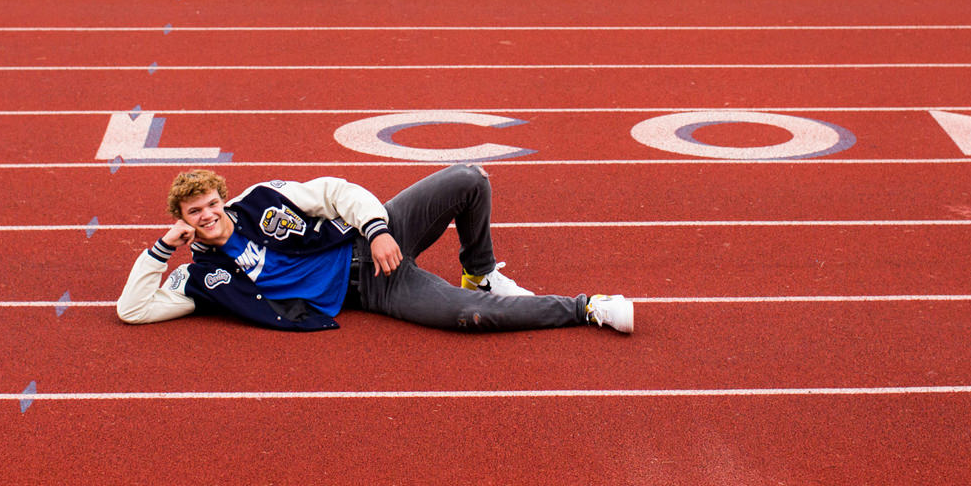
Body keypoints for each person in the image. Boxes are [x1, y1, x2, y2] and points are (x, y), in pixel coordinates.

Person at [115, 163, 634, 334]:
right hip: (374, 288)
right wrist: (161, 249)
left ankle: (480, 271)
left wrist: (377, 228)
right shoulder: (200, 276)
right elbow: (133, 310)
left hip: (368, 240)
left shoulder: (262, 199)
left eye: (211, 204)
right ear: (182, 220)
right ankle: (586, 307)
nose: (207, 215)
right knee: (470, 317)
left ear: (223, 198)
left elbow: (336, 191)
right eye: (194, 212)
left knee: (469, 178)